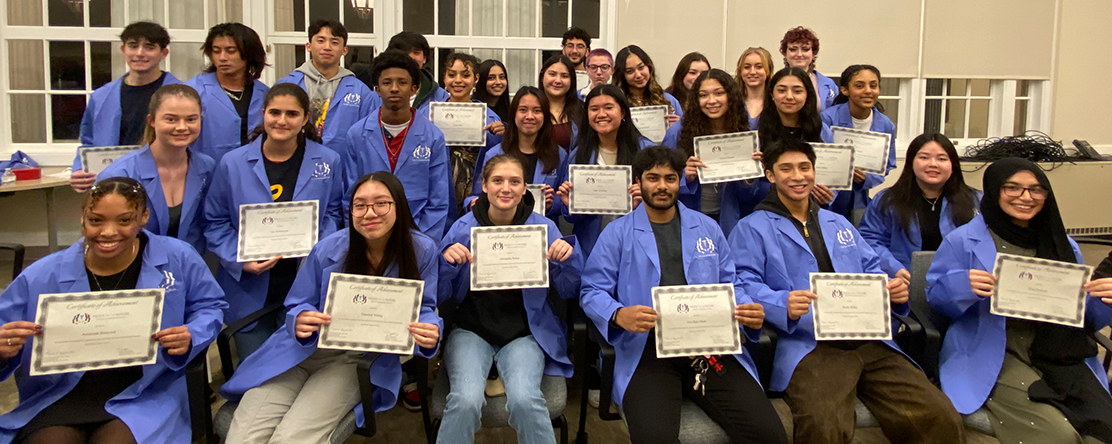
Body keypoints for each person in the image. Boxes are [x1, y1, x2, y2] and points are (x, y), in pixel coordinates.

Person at [730, 138, 964, 443]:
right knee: (823, 425)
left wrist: (890, 291)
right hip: (809, 344)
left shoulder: (837, 222)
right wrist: (781, 302)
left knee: (939, 415)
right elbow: (742, 284)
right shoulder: (752, 228)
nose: (798, 176)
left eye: (805, 167)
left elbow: (871, 269)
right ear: (770, 175)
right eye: (786, 169)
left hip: (868, 339)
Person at [579, 146, 787, 444]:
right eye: (653, 178)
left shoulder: (707, 227)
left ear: (679, 182)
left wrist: (745, 309)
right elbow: (591, 290)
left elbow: (731, 283)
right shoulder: (617, 232)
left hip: (708, 346)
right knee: (655, 438)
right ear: (638, 183)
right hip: (647, 350)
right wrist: (617, 313)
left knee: (770, 435)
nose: (662, 186)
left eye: (670, 178)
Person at [0, 177, 226, 444]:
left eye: (124, 220)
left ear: (144, 217)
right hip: (61, 394)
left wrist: (191, 333)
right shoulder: (42, 274)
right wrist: (3, 348)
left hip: (143, 392)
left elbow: (210, 306)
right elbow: (5, 331)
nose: (108, 232)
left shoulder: (178, 257)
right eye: (96, 220)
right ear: (83, 219)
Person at [221, 172, 442, 443]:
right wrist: (299, 318)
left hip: (353, 360)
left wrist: (431, 329)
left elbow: (426, 306)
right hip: (299, 352)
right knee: (242, 437)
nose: (369, 213)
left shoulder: (422, 250)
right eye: (359, 205)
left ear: (399, 206)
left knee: (291, 438)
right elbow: (297, 301)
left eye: (381, 203)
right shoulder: (328, 248)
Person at [927, 158, 1112, 444]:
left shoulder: (1063, 244)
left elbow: (1085, 319)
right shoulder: (962, 240)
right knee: (1057, 435)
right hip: (994, 349)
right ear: (993, 191)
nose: (1026, 197)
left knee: (1101, 430)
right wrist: (963, 285)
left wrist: (1105, 301)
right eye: (1012, 188)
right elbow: (935, 299)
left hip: (1057, 351)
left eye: (1036, 190)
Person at [438, 155, 582, 444]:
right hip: (470, 330)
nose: (506, 188)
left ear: (524, 188)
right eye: (497, 181)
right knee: (465, 402)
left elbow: (569, 290)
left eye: (514, 182)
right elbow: (441, 296)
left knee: (526, 400)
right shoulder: (462, 230)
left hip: (525, 333)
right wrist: (447, 265)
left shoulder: (544, 229)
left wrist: (567, 260)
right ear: (484, 186)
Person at [203, 84, 346, 359]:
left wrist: (314, 249)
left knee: (294, 368)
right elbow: (215, 221)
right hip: (249, 287)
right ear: (263, 113)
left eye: (292, 114)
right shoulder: (232, 163)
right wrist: (239, 259)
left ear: (305, 119)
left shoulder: (328, 161)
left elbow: (332, 214)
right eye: (275, 112)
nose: (282, 121)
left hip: (304, 281)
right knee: (254, 373)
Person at [344, 50, 450, 241]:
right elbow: (350, 196)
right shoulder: (356, 134)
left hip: (418, 235)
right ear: (377, 89)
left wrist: (421, 243)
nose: (394, 88)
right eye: (387, 82)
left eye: (402, 82)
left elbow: (438, 201)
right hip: (369, 235)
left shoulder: (433, 137)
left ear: (414, 89)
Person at [98, 84, 214, 255]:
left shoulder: (207, 167)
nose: (182, 127)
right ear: (151, 121)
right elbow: (103, 234)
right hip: (133, 266)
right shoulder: (119, 175)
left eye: (191, 119)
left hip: (190, 268)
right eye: (171, 119)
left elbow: (211, 223)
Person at [70, 21, 181, 193]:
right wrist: (79, 169)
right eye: (133, 46)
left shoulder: (183, 95)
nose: (139, 53)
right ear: (123, 50)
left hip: (169, 182)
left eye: (149, 47)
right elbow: (88, 141)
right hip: (114, 185)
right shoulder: (101, 97)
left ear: (163, 53)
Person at [859, 133, 980, 280]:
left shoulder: (976, 201)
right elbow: (870, 240)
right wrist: (894, 269)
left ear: (953, 165)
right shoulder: (887, 200)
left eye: (942, 159)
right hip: (903, 282)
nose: (933, 164)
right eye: (924, 157)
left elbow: (985, 245)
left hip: (959, 285)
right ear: (911, 162)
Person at [558, 85, 652, 257]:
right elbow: (571, 218)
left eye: (608, 107)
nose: (601, 114)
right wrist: (571, 204)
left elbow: (664, 202)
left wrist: (645, 197)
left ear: (623, 112)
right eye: (594, 109)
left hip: (637, 244)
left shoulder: (646, 151)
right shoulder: (578, 156)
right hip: (592, 246)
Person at [664, 69, 763, 229]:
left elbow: (747, 196)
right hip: (687, 219)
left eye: (719, 93)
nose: (711, 101)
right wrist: (684, 177)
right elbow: (661, 178)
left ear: (730, 96)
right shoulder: (678, 131)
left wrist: (750, 176)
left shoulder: (745, 133)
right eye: (703, 95)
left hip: (727, 220)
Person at [274, 19, 377, 157]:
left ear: (344, 50)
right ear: (308, 46)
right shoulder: (287, 86)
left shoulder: (361, 91)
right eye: (321, 40)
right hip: (295, 162)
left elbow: (370, 137)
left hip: (344, 168)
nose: (327, 47)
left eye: (334, 42)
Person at [468, 86, 566, 221]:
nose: (530, 116)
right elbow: (477, 194)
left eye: (537, 111)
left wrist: (552, 204)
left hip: (541, 230)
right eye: (523, 110)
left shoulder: (559, 155)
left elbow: (565, 203)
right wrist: (473, 203)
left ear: (545, 116)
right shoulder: (494, 154)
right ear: (514, 114)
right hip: (499, 228)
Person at [822, 65, 898, 223]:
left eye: (873, 85)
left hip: (860, 197)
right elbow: (817, 157)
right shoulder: (828, 119)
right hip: (827, 196)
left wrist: (866, 178)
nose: (868, 91)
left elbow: (887, 165)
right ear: (845, 90)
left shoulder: (885, 125)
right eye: (859, 86)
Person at [186, 23, 270, 164]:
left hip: (253, 173)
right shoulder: (193, 91)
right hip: (206, 174)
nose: (222, 58)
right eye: (216, 51)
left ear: (249, 54)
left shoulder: (264, 94)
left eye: (230, 51)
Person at [436, 52, 504, 225]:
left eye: (465, 75)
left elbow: (497, 162)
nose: (458, 80)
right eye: (451, 75)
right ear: (444, 78)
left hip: (476, 196)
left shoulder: (490, 118)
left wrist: (503, 133)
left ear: (476, 79)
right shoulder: (429, 116)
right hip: (441, 193)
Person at [758, 67, 835, 208]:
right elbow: (745, 191)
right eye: (781, 90)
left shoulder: (821, 130)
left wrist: (828, 195)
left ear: (808, 95)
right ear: (771, 94)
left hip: (809, 208)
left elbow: (832, 177)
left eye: (797, 91)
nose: (789, 96)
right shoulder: (756, 130)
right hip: (763, 207)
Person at [382, 31, 450, 118]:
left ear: (424, 58)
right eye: (405, 53)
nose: (411, 58)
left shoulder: (440, 96)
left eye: (416, 53)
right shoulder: (377, 96)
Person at [612, 45, 682, 127]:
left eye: (641, 67)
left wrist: (679, 125)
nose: (638, 75)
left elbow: (685, 134)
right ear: (622, 75)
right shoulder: (617, 104)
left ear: (649, 67)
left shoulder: (668, 100)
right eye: (630, 71)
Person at [779, 26, 838, 111]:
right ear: (785, 54)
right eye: (793, 49)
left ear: (813, 54)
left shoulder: (829, 85)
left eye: (805, 49)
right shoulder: (775, 82)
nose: (799, 54)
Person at [539, 55, 585, 153]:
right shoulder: (531, 109)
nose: (558, 81)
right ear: (542, 76)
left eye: (564, 76)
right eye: (552, 74)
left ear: (572, 81)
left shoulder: (583, 110)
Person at [734, 47, 773, 130]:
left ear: (768, 71)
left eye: (759, 67)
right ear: (740, 72)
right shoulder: (732, 102)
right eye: (747, 67)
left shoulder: (776, 102)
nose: (752, 72)